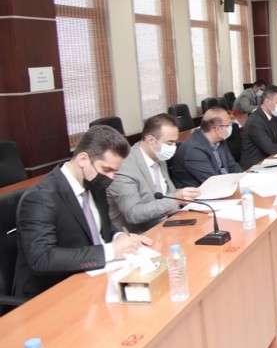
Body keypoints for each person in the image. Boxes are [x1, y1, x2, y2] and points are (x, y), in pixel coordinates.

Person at [13, 126, 153, 298]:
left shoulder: (94, 183)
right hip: (53, 291)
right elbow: (42, 258)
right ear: (83, 159)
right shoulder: (41, 197)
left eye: (115, 171)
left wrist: (120, 237)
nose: (110, 178)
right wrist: (111, 251)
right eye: (106, 169)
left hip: (95, 277)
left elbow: (103, 226)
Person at [107, 114, 201, 233]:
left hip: (167, 224)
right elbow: (133, 214)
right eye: (169, 143)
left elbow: (166, 194)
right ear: (150, 140)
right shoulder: (124, 168)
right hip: (140, 234)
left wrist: (186, 194)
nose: (173, 147)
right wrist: (176, 200)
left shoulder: (158, 155)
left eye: (175, 142)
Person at [170, 107, 243, 188]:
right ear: (218, 129)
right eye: (228, 125)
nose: (230, 127)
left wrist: (243, 179)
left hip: (223, 184)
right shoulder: (194, 151)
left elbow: (232, 165)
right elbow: (213, 182)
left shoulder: (220, 139)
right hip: (201, 191)